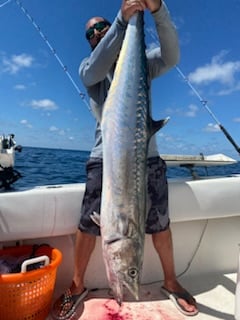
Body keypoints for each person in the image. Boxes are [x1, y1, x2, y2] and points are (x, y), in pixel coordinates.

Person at [52, 0, 199, 318]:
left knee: (160, 223)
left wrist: (156, 10)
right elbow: (96, 66)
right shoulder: (90, 69)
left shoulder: (143, 63)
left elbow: (172, 56)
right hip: (104, 158)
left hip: (147, 156)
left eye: (100, 27)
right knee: (88, 224)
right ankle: (77, 284)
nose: (96, 33)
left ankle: (171, 281)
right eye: (90, 32)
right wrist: (122, 21)